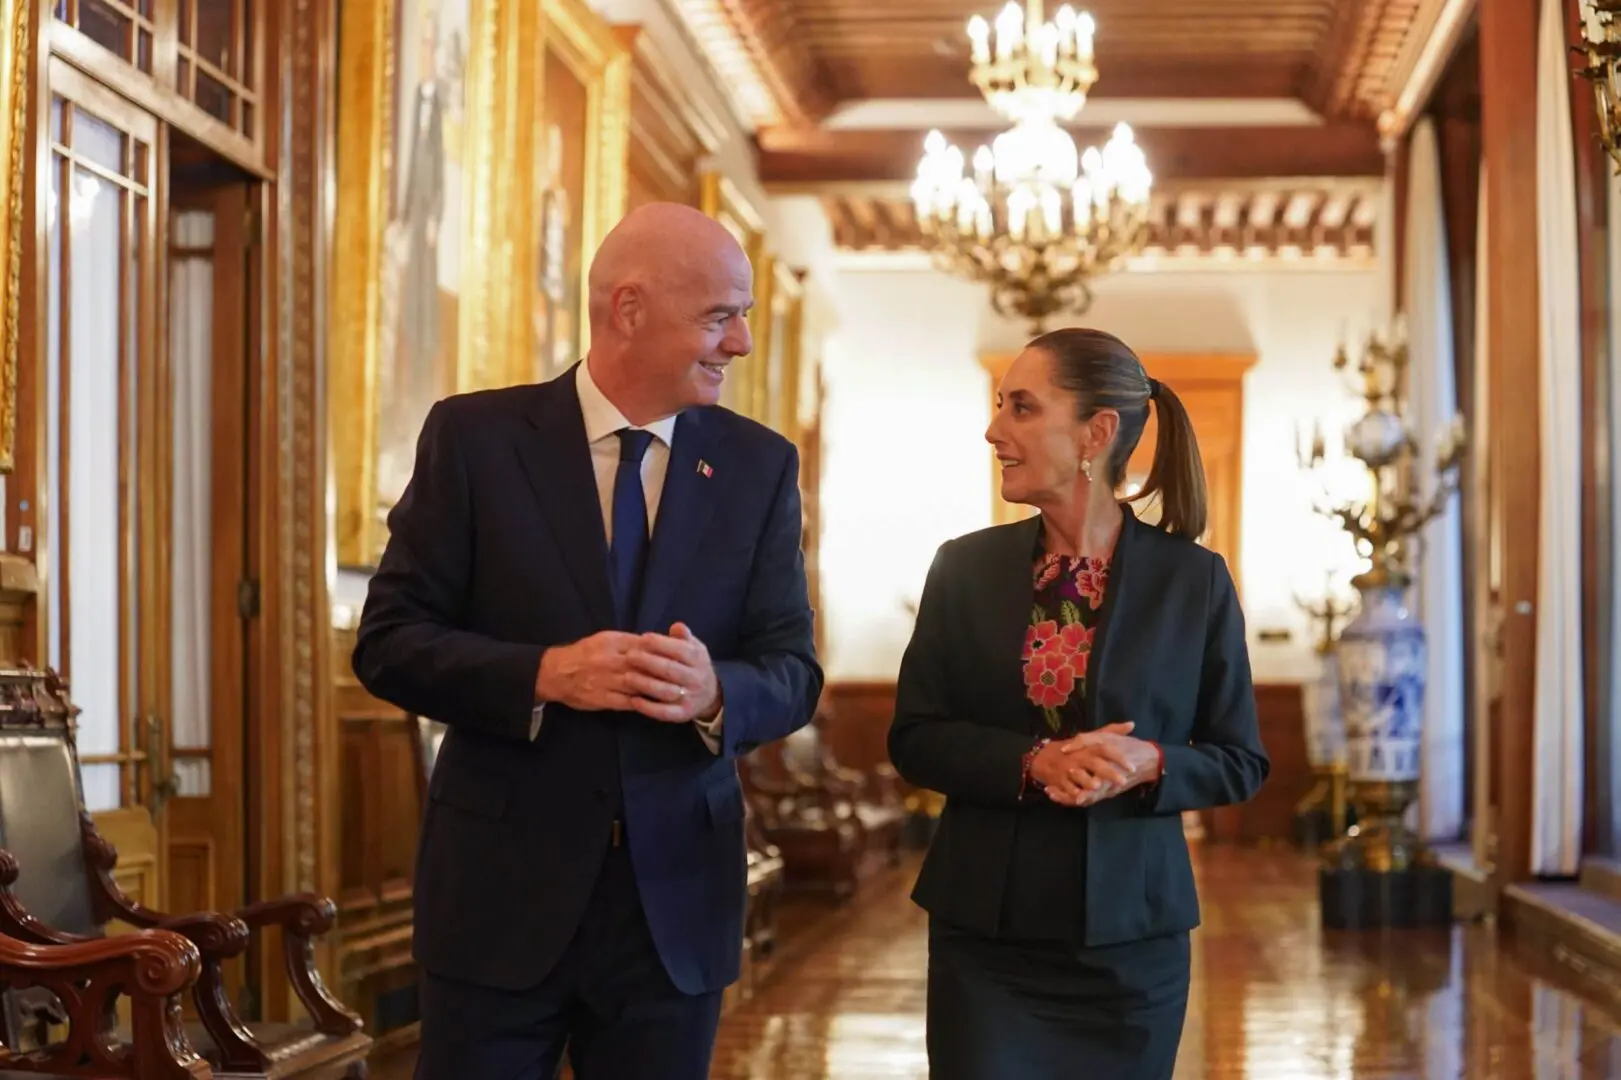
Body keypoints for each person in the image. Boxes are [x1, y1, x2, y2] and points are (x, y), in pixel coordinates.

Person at [352, 202, 823, 1080]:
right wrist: (544, 673)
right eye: (720, 316)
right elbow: (388, 642)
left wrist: (715, 692)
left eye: (745, 316)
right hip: (499, 901)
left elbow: (792, 670)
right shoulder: (475, 439)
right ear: (630, 309)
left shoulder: (760, 467)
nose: (740, 344)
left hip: (675, 906)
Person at [888, 327, 1269, 1080]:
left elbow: (1239, 762)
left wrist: (1150, 762)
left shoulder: (1193, 581)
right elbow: (915, 737)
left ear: (1096, 433)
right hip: (985, 942)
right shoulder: (961, 568)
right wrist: (1033, 761)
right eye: (1000, 405)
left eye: (1021, 408)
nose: (993, 429)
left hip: (1132, 947)